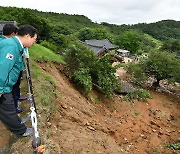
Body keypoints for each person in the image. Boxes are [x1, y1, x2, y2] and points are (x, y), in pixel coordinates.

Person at [0, 25, 38, 137]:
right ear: (27, 36)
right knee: (8, 110)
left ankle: (17, 124)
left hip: (5, 85)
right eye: (34, 39)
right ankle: (20, 131)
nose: (34, 43)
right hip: (3, 85)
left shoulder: (14, 44)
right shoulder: (11, 47)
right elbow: (3, 68)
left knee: (7, 109)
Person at [0, 23, 25, 113]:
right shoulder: (10, 45)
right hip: (6, 81)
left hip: (8, 79)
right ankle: (14, 108)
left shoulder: (5, 42)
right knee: (12, 93)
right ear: (13, 33)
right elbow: (4, 66)